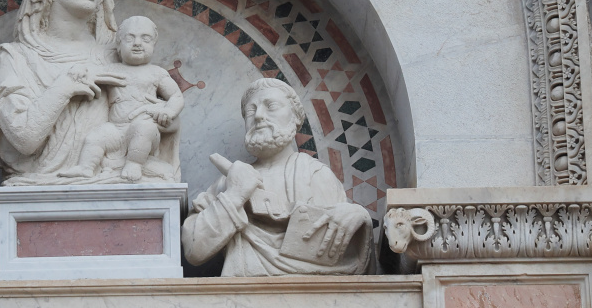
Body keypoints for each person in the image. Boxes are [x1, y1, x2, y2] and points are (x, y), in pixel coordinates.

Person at [182, 77, 372, 275]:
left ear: (295, 118)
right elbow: (193, 250)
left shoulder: (315, 175)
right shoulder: (227, 181)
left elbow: (342, 254)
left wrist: (358, 216)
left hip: (311, 296)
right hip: (243, 295)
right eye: (251, 110)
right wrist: (234, 196)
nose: (258, 116)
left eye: (271, 106)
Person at [0, 0, 127, 183]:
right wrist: (65, 87)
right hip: (36, 193)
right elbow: (24, 139)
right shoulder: (16, 58)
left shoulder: (117, 57)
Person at [59, 15, 184, 182]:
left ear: (154, 44)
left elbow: (176, 96)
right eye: (129, 38)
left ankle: (134, 163)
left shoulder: (157, 73)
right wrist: (79, 69)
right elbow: (91, 73)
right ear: (118, 45)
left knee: (143, 128)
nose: (137, 43)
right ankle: (85, 168)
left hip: (144, 127)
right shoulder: (112, 69)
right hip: (116, 128)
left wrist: (168, 111)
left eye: (145, 39)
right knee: (96, 136)